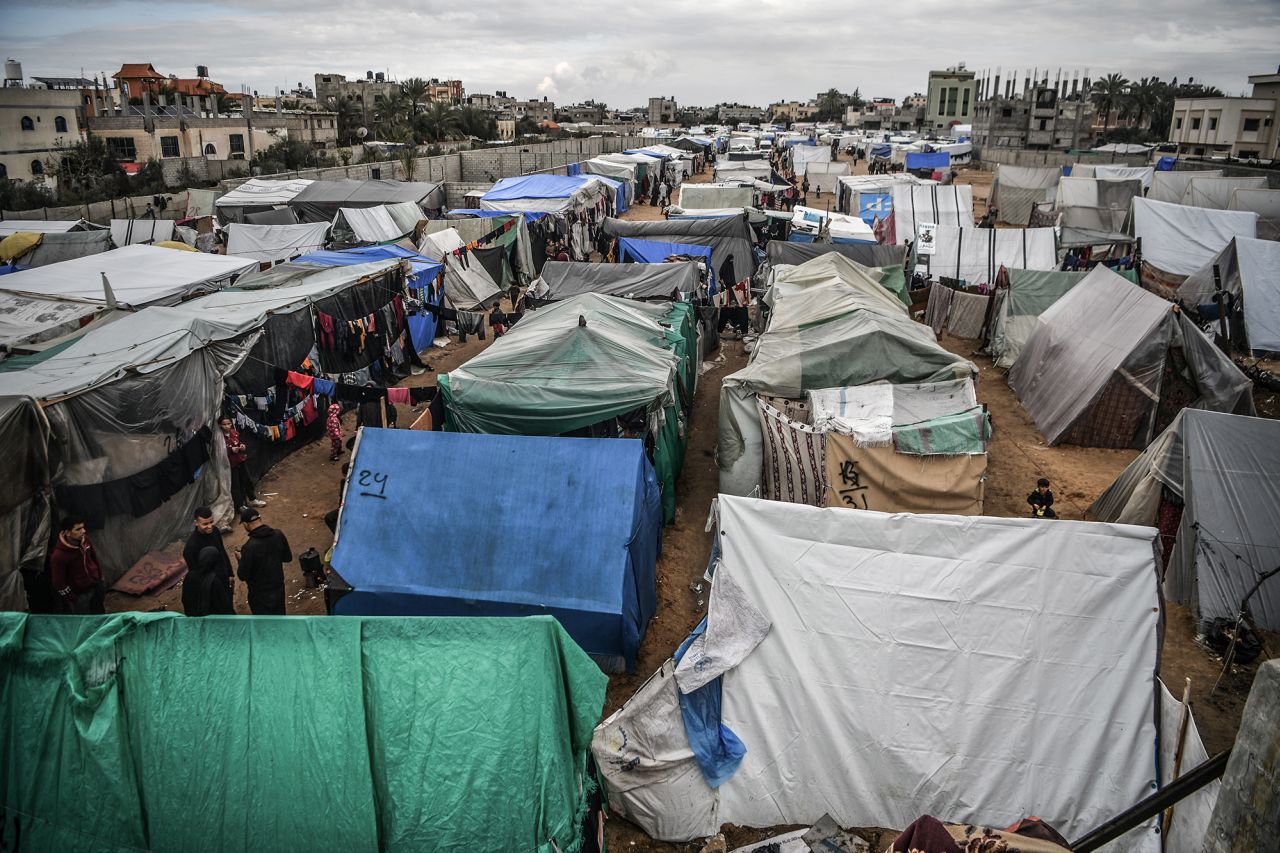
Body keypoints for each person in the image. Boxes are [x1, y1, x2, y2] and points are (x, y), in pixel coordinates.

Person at [235, 508, 292, 615]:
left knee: (263, 625)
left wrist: (240, 560)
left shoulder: (249, 548)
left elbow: (242, 575)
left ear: (246, 524)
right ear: (260, 518)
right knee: (280, 620)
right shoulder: (278, 534)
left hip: (259, 595)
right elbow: (287, 558)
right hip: (278, 589)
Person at [49, 515, 105, 614]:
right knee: (86, 622)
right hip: (81, 595)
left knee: (100, 615)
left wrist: (100, 578)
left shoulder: (85, 541)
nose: (83, 531)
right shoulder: (59, 556)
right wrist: (73, 598)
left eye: (83, 527)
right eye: (78, 529)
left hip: (95, 586)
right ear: (67, 532)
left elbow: (94, 558)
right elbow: (58, 582)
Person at [220, 416, 264, 512]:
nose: (227, 426)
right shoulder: (219, 438)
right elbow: (218, 453)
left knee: (247, 480)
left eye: (228, 424)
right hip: (230, 464)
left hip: (240, 460)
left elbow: (239, 442)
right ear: (220, 425)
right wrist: (230, 450)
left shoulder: (234, 433)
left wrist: (242, 446)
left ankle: (252, 499)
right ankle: (239, 506)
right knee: (235, 485)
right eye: (224, 424)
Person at [183, 506, 233, 591]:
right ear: (196, 523)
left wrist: (230, 573)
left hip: (223, 578)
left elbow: (222, 552)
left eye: (211, 522)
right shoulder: (191, 547)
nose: (210, 526)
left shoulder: (215, 531)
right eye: (205, 524)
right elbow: (195, 573)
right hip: (210, 586)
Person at [183, 546, 236, 616]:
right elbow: (224, 606)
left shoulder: (189, 576)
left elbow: (185, 599)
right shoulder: (214, 582)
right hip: (211, 619)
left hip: (193, 617)